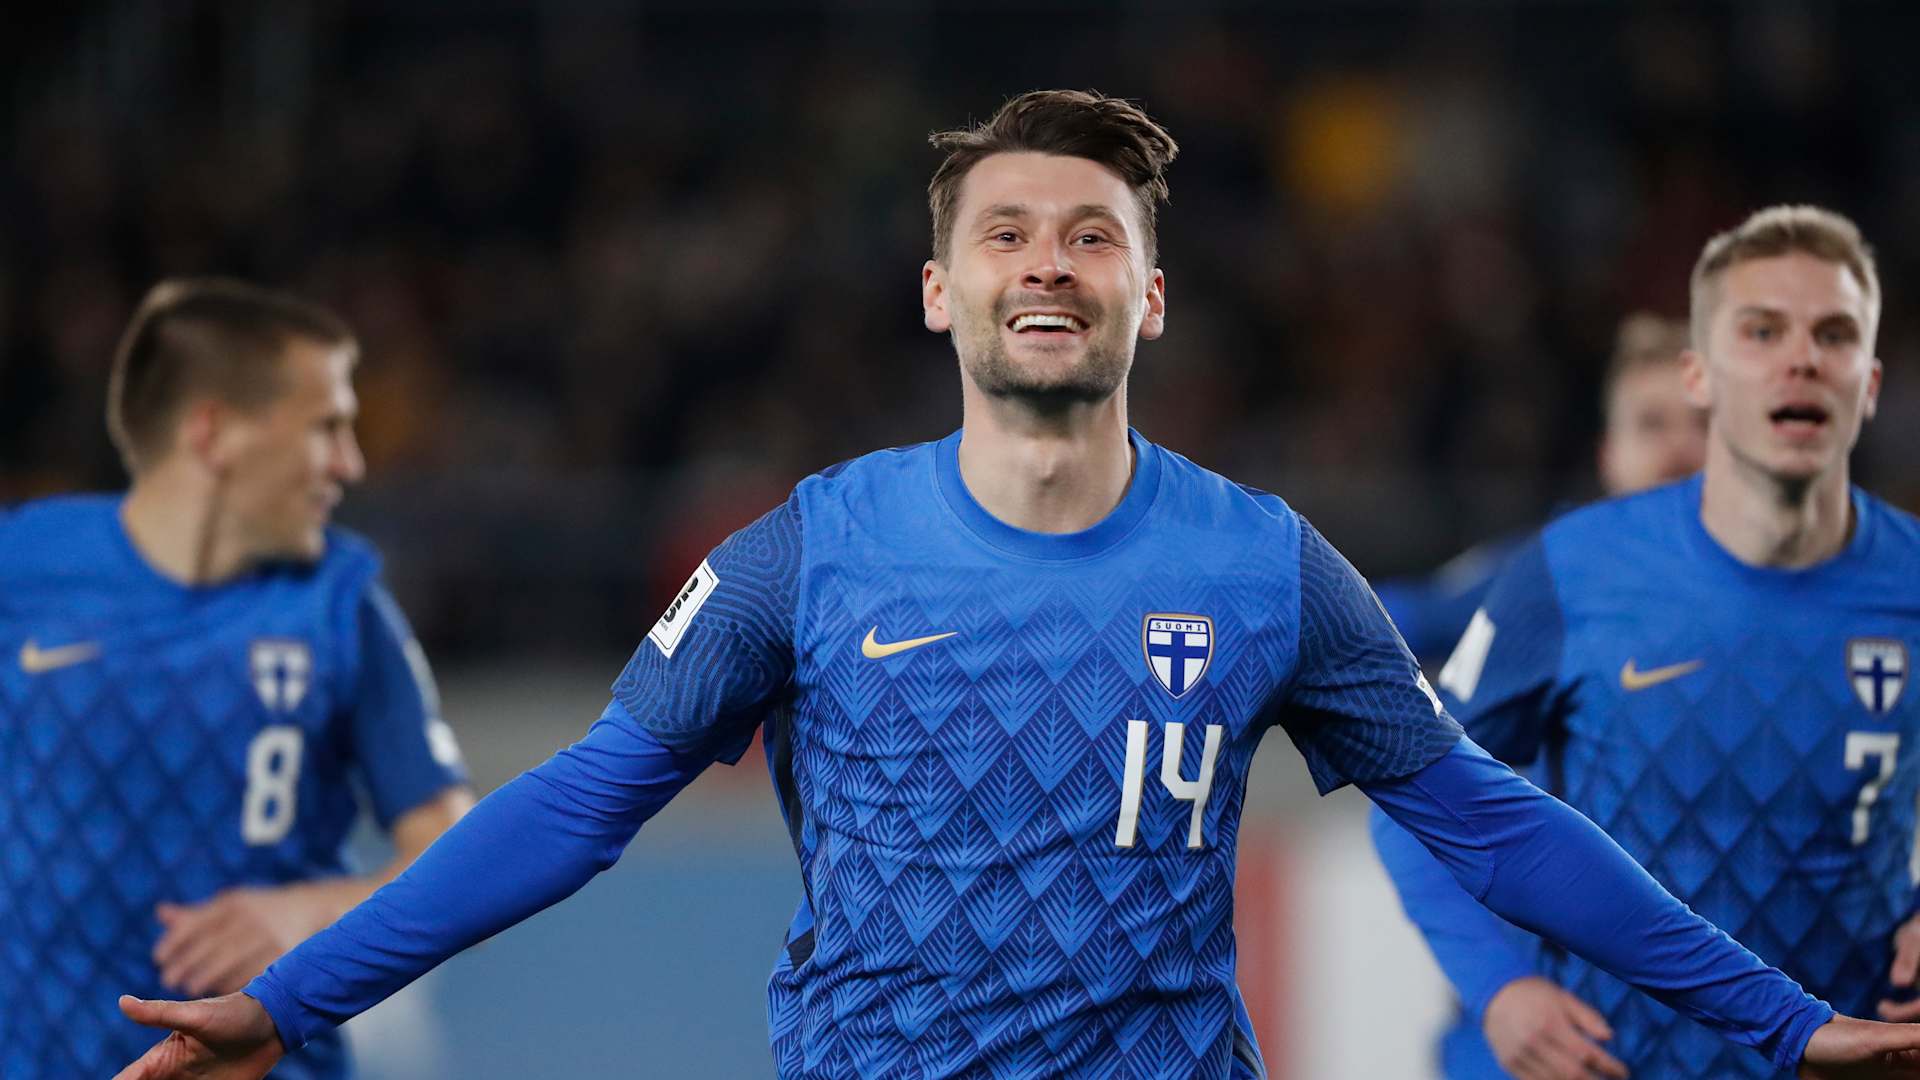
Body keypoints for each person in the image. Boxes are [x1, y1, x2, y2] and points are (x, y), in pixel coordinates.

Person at [112, 94, 1920, 1080]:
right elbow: (580, 805)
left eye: (1092, 238)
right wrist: (298, 997)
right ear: (939, 291)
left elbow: (1494, 822)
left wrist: (1786, 1021)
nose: (1047, 264)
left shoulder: (1268, 565)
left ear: (1151, 297)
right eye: (1005, 233)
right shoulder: (807, 551)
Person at [1372, 205, 1920, 1079]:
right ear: (1702, 375)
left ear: (1873, 380)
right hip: (1619, 1061)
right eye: (1764, 331)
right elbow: (1414, 792)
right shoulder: (1568, 572)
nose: (1803, 359)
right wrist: (1501, 986)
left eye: (1834, 334)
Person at [0, 278, 474, 1079]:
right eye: (326, 427)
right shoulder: (24, 568)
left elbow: (463, 857)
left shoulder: (339, 606)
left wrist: (314, 909)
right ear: (213, 433)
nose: (351, 463)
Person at [1375, 312, 1707, 664]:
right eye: (1652, 424)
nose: (1679, 445)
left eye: (1703, 423)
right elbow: (1393, 621)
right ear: (1608, 456)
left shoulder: (1753, 584)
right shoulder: (1554, 568)